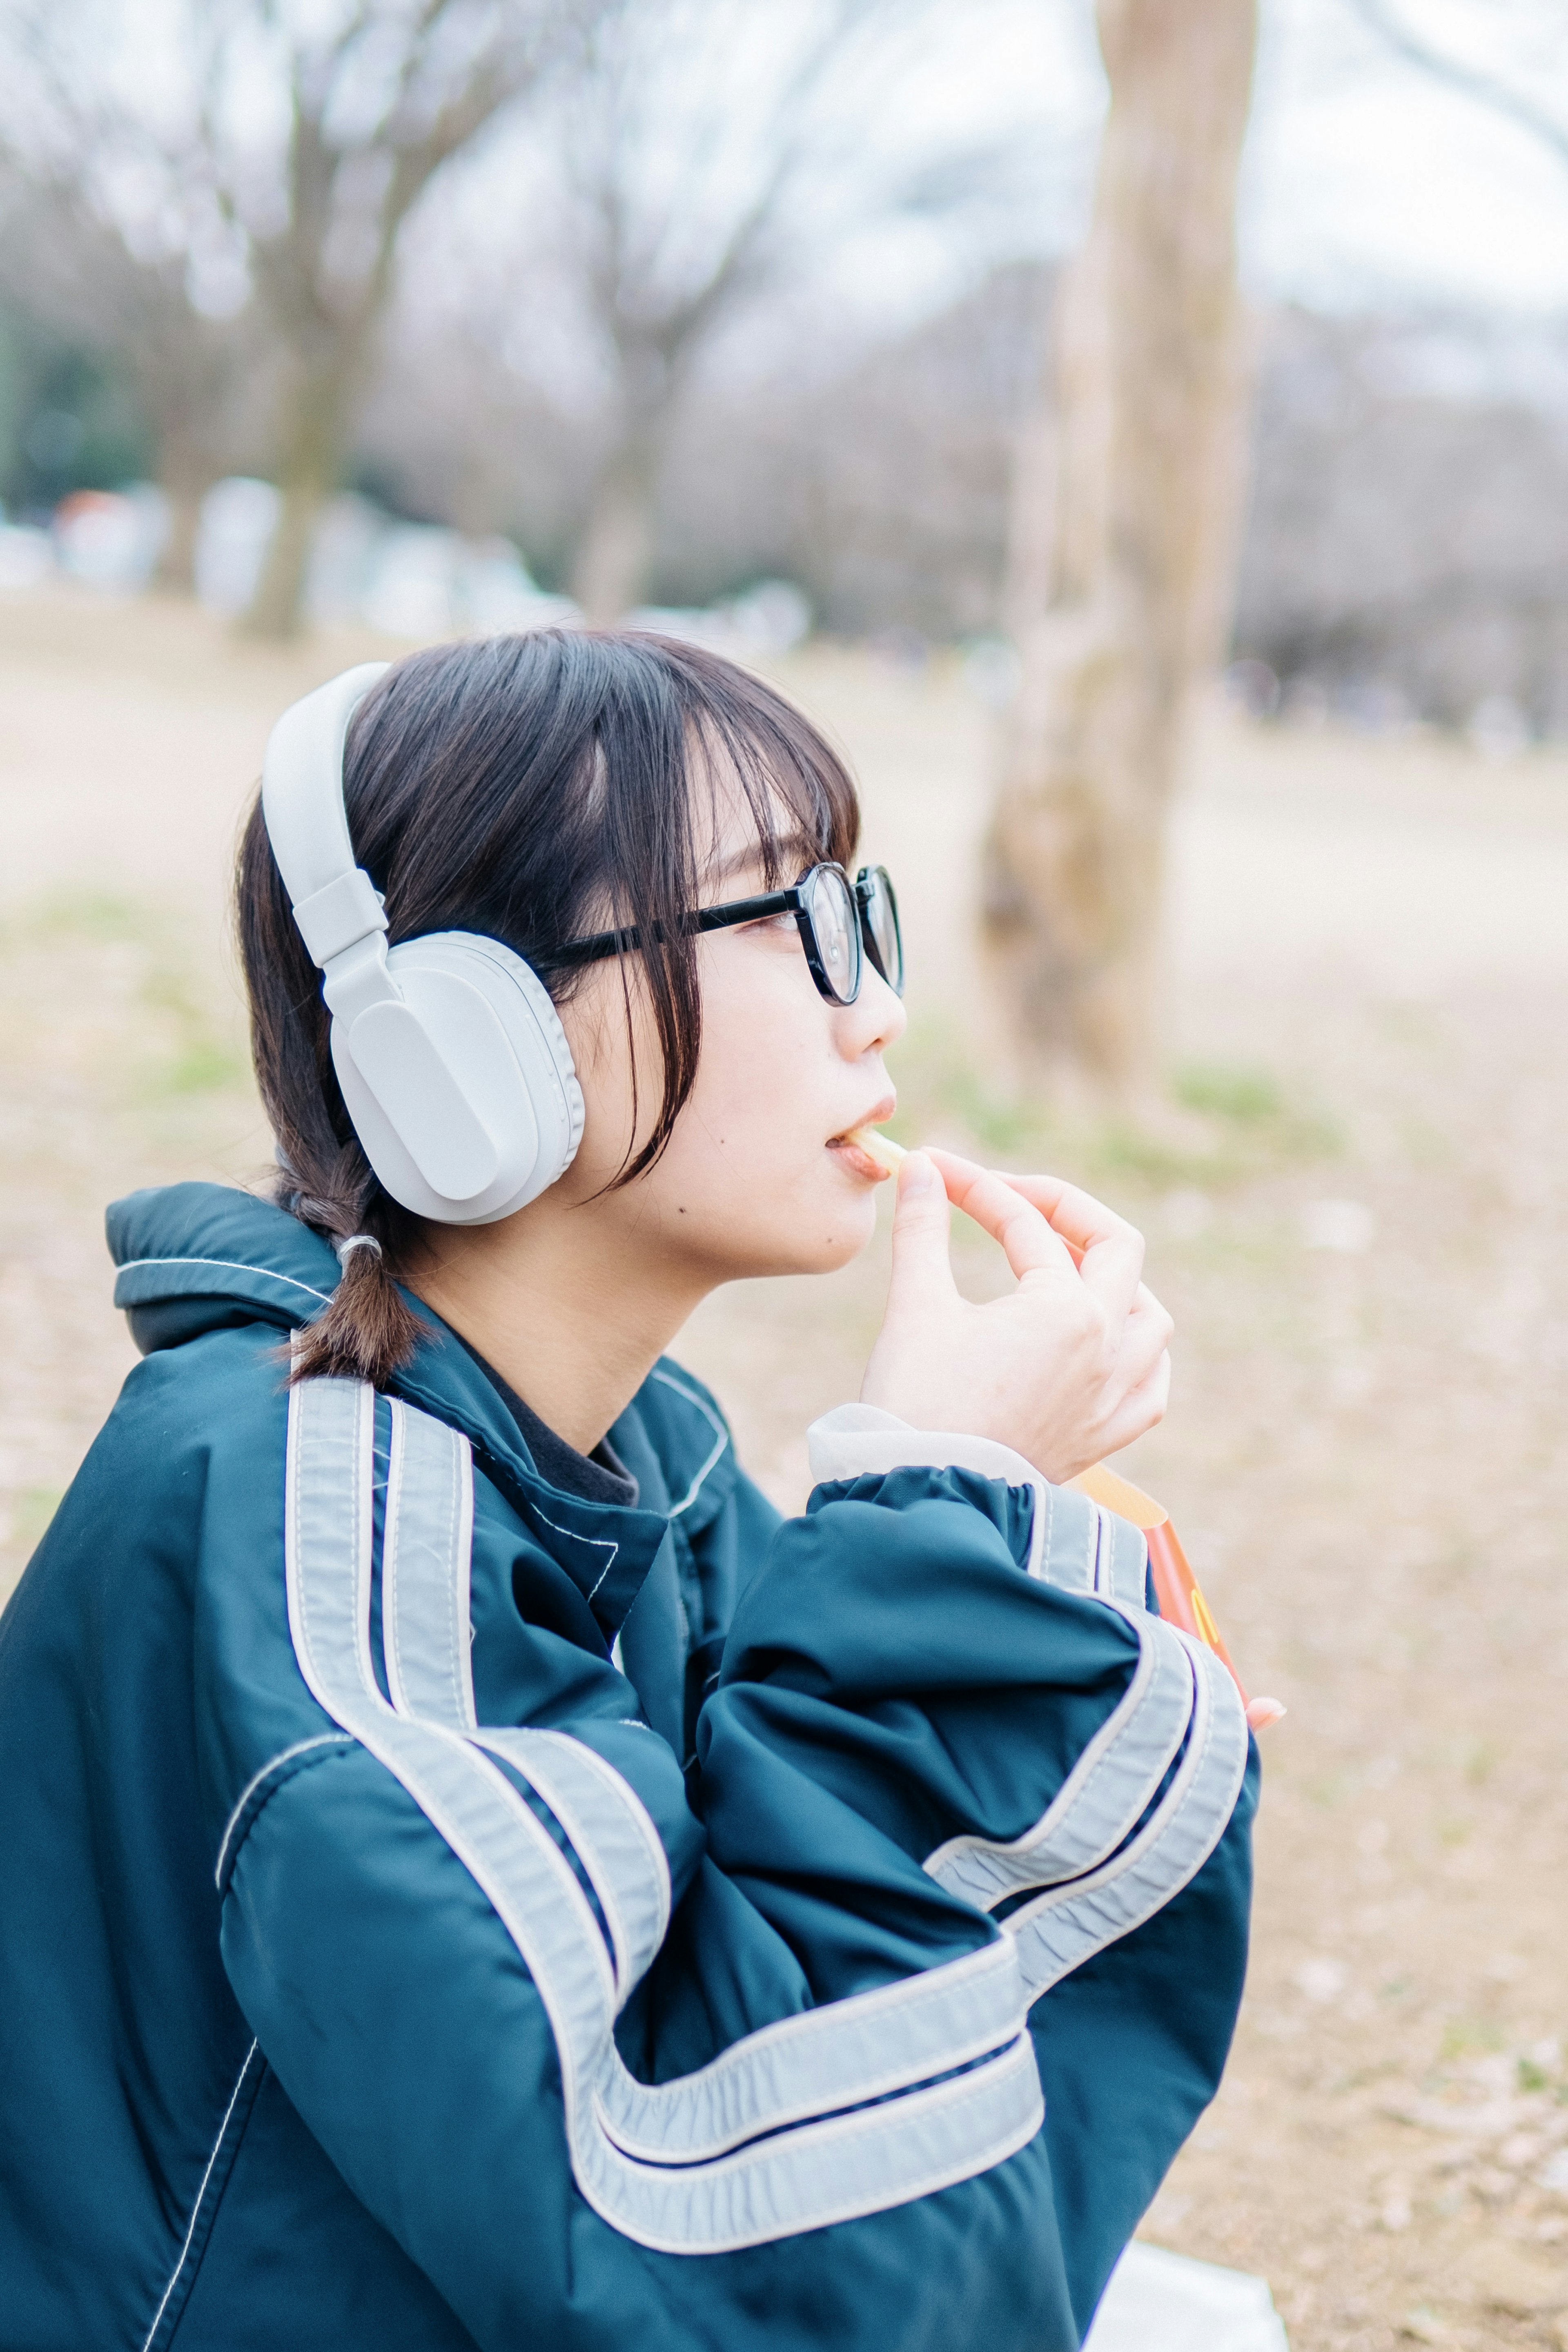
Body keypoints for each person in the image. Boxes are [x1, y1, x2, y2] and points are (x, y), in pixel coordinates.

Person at [0, 630, 1256, 2352]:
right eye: (790, 925)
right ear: (470, 1035)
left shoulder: (636, 1454)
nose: (876, 1005)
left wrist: (1001, 1592)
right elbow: (709, 2226)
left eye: (862, 914)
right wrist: (941, 1514)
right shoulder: (305, 1515)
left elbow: (823, 1982)